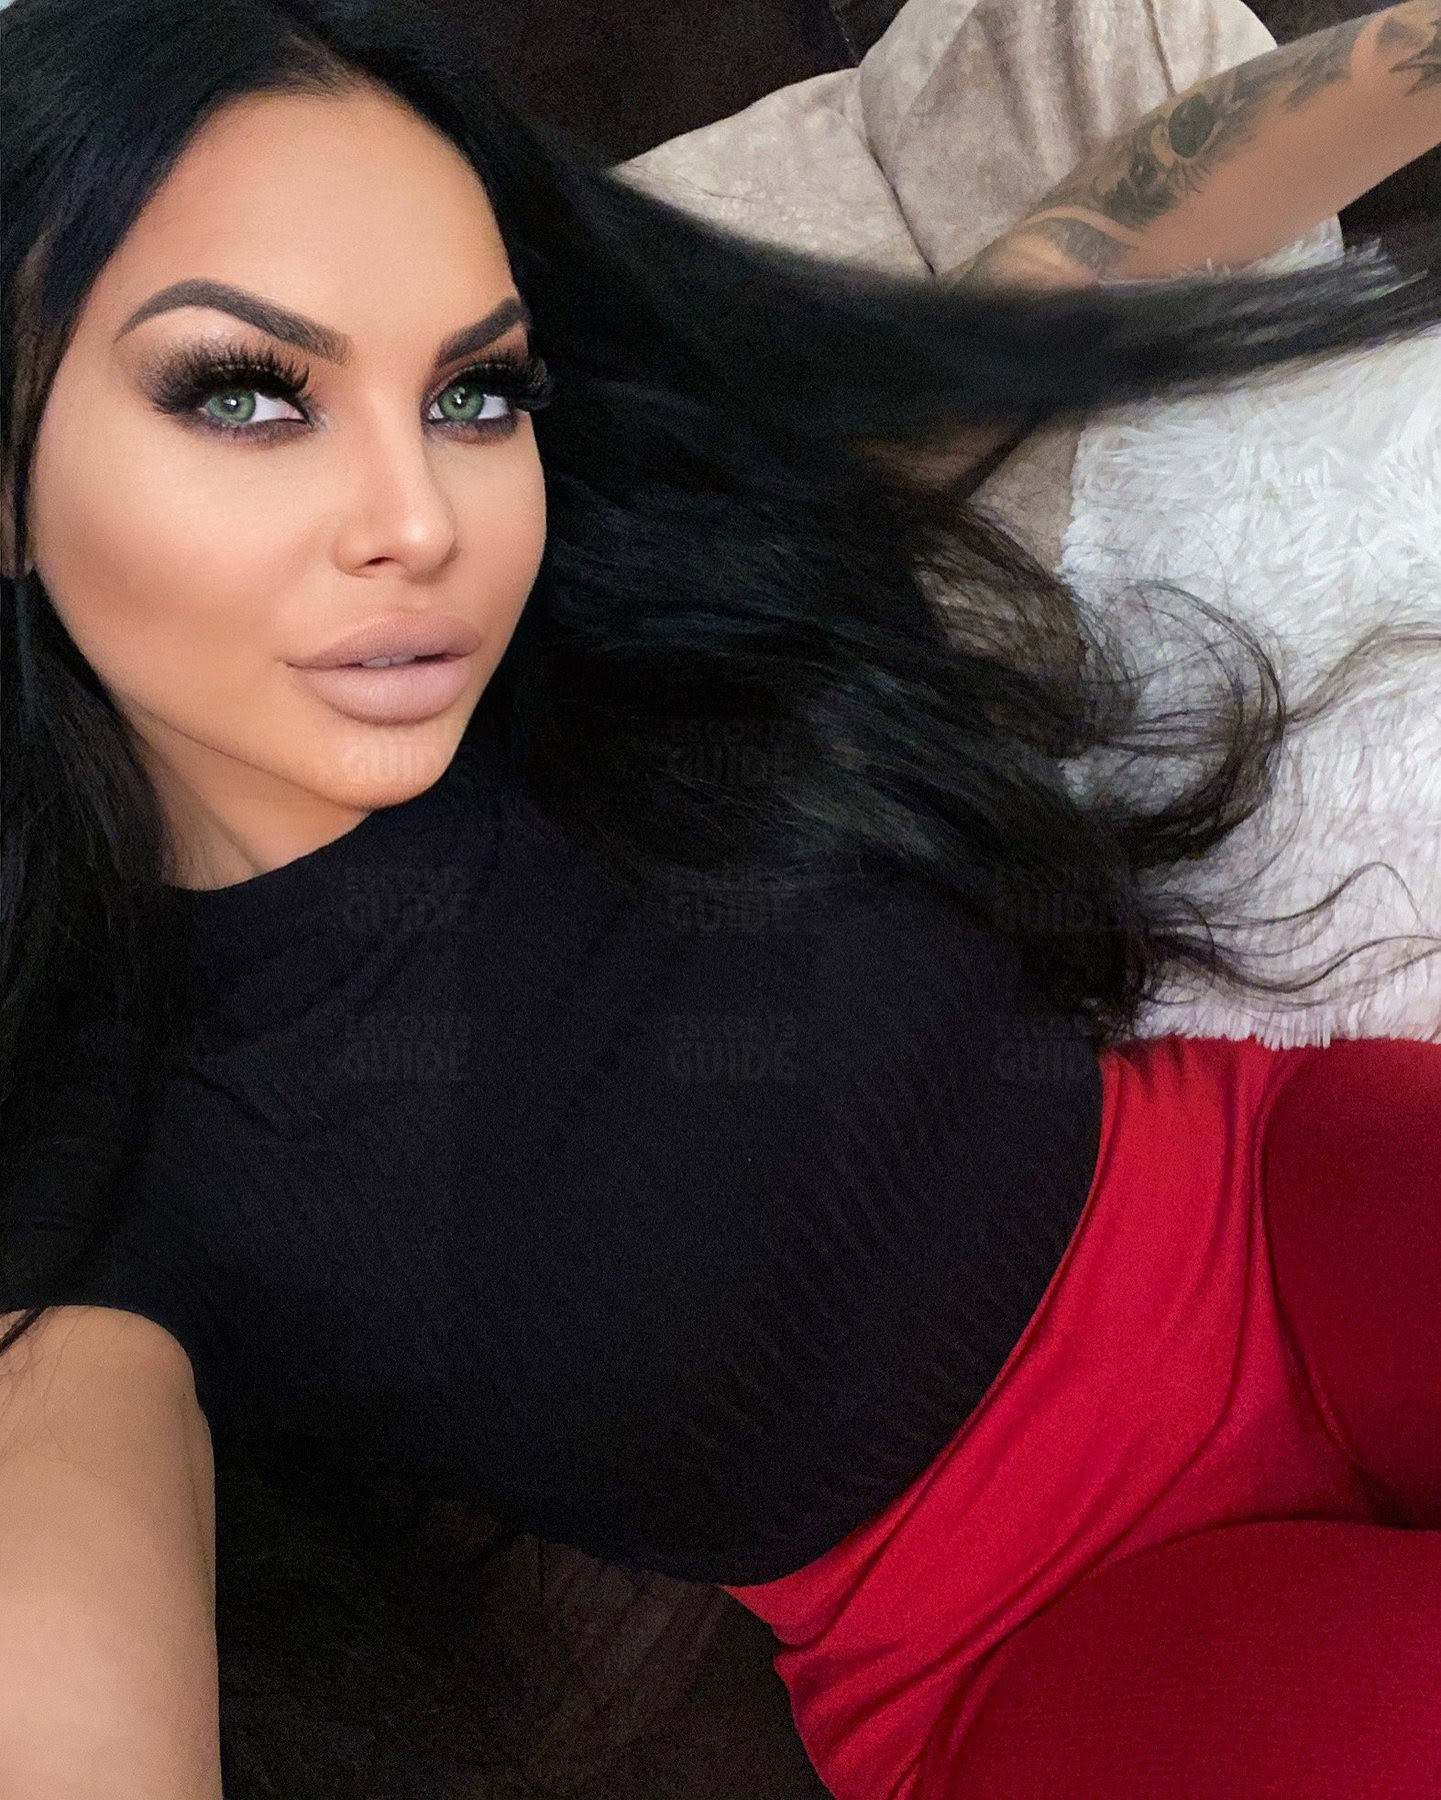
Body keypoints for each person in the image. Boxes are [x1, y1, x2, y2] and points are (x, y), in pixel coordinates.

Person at [1, 0, 1438, 1794]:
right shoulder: (87, 1177)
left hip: (1282, 1217)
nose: (421, 519)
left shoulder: (660, 599)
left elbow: (1091, 249)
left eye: (475, 392)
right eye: (245, 391)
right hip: (1015, 1642)